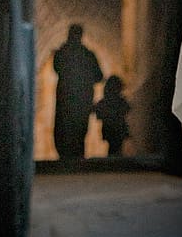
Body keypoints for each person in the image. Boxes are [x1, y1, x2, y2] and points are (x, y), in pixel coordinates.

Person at [52, 23, 103, 159]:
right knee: (80, 130)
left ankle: (65, 156)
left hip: (65, 99)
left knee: (63, 128)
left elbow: (56, 69)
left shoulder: (61, 53)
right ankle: (77, 156)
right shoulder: (88, 55)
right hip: (83, 100)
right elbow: (99, 76)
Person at [94, 73, 130, 157]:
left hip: (110, 129)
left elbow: (98, 113)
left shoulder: (105, 102)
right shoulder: (120, 101)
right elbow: (127, 109)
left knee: (113, 146)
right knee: (117, 147)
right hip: (117, 129)